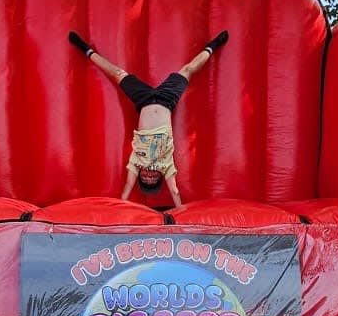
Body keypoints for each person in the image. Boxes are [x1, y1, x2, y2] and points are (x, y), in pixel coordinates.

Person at [68, 29, 229, 206]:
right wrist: (179, 211)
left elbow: (128, 187)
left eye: (146, 177)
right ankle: (211, 47)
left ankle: (86, 50)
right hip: (167, 100)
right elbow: (174, 190)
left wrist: (120, 208)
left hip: (143, 100)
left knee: (118, 73)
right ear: (160, 175)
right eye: (153, 178)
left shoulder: (136, 161)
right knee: (188, 70)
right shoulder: (166, 164)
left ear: (140, 174)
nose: (149, 175)